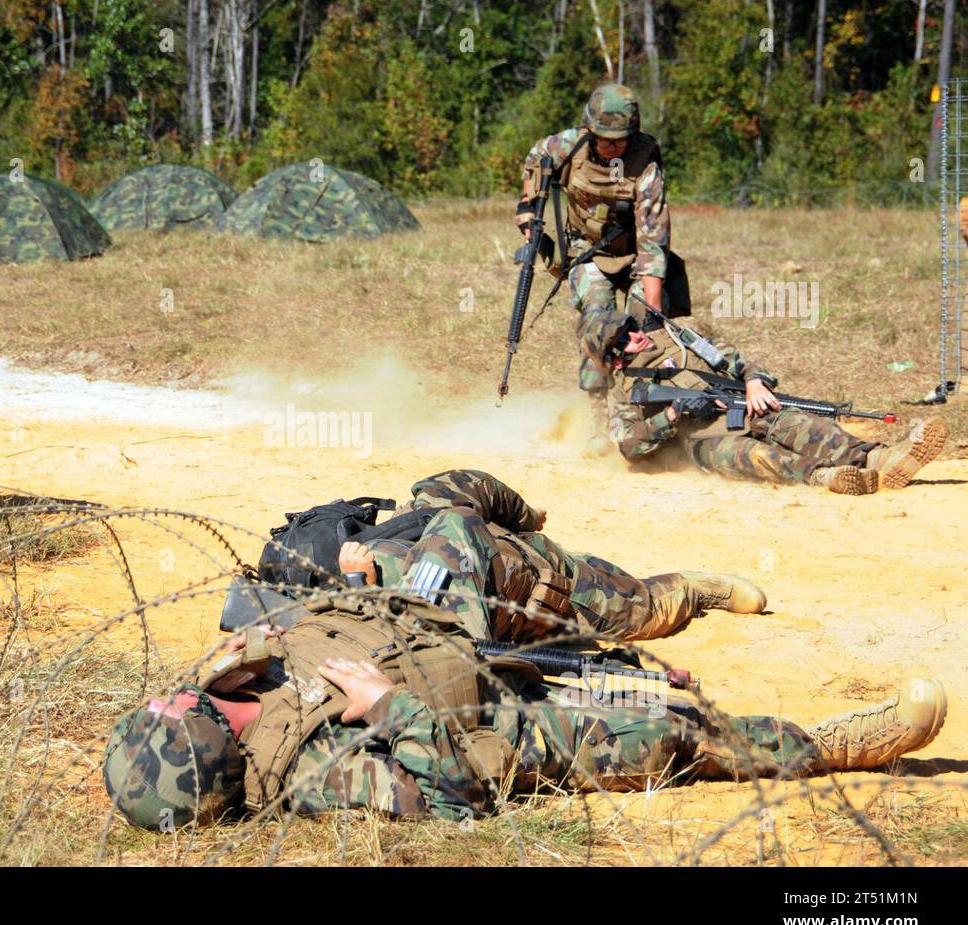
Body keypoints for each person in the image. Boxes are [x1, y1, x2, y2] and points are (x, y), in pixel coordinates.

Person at [102, 593, 948, 828]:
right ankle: (834, 745)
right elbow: (445, 797)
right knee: (670, 735)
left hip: (474, 649)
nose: (162, 698)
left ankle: (678, 595)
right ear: (205, 745)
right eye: (166, 714)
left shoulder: (231, 685)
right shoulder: (312, 773)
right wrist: (389, 708)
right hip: (514, 731)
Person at [332, 469, 766, 646]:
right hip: (514, 601)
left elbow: (476, 486)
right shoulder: (359, 604)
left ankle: (695, 587)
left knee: (644, 612)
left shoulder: (426, 513)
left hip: (555, 586)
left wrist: (527, 516)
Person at [582, 310, 949, 494]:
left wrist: (755, 382)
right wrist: (674, 415)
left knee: (804, 425)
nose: (636, 336)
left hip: (747, 405)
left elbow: (738, 361)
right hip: (703, 441)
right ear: (616, 358)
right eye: (625, 339)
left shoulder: (681, 338)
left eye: (632, 327)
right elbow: (628, 445)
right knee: (754, 457)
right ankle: (828, 477)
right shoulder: (624, 393)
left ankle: (882, 457)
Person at [517, 83, 669, 455]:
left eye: (621, 140)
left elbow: (653, 245)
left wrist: (652, 314)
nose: (614, 147)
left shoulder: (646, 163)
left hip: (635, 254)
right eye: (605, 139)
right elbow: (534, 168)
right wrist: (528, 216)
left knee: (641, 330)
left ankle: (638, 415)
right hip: (587, 252)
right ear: (590, 131)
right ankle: (599, 420)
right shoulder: (564, 146)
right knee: (600, 321)